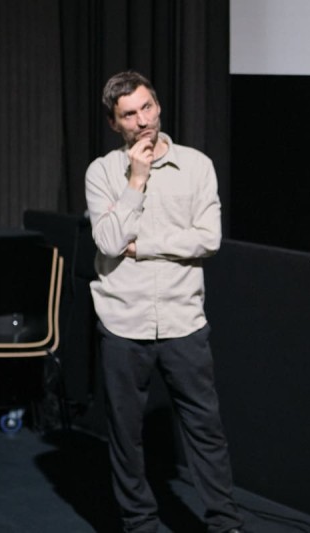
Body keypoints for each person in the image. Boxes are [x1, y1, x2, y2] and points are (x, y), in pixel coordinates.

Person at [85, 71, 245, 533]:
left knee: (205, 431)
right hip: (123, 322)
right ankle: (140, 525)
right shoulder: (102, 172)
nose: (142, 121)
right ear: (115, 123)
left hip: (183, 321)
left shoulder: (197, 166)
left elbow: (208, 239)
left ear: (157, 105)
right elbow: (110, 241)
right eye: (129, 115)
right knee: (126, 437)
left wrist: (144, 246)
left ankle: (225, 524)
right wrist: (135, 180)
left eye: (147, 108)